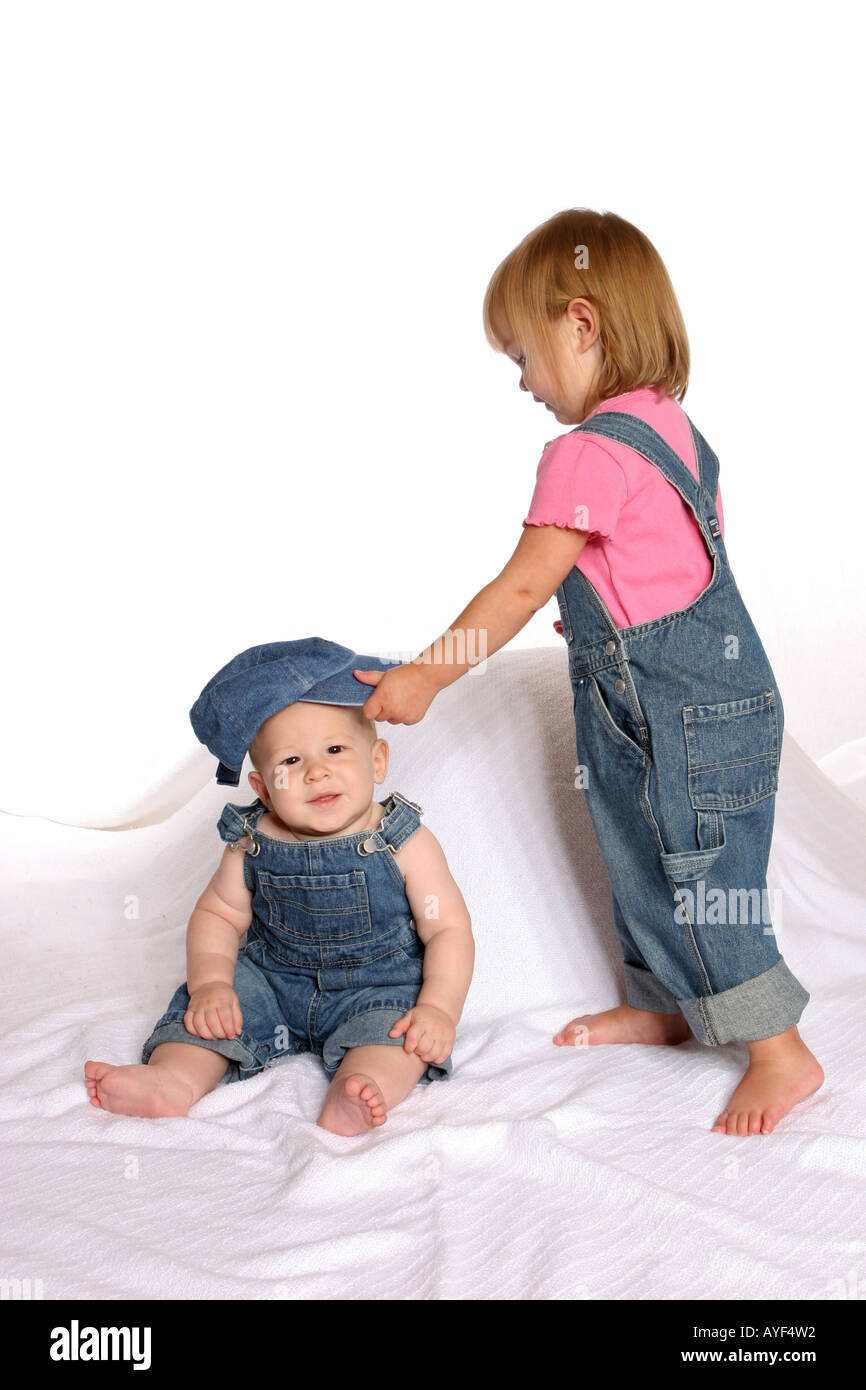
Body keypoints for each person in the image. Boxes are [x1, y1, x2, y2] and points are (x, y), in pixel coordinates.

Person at [353, 207, 824, 1138]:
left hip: (683, 710)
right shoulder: (673, 431)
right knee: (638, 853)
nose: (523, 381)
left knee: (703, 872)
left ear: (582, 322)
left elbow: (525, 585)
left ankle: (778, 1049)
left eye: (521, 355)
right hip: (671, 705)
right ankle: (664, 1005)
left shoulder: (589, 452)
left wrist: (425, 674)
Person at [84, 639, 474, 1136]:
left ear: (377, 761)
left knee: (400, 1040)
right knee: (203, 1020)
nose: (317, 771)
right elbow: (219, 916)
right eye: (290, 761)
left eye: (336, 749)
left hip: (376, 988)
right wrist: (212, 985)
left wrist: (438, 1008)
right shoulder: (252, 839)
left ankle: (357, 1091)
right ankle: (172, 1081)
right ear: (264, 788)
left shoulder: (403, 839)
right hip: (272, 979)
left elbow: (448, 930)